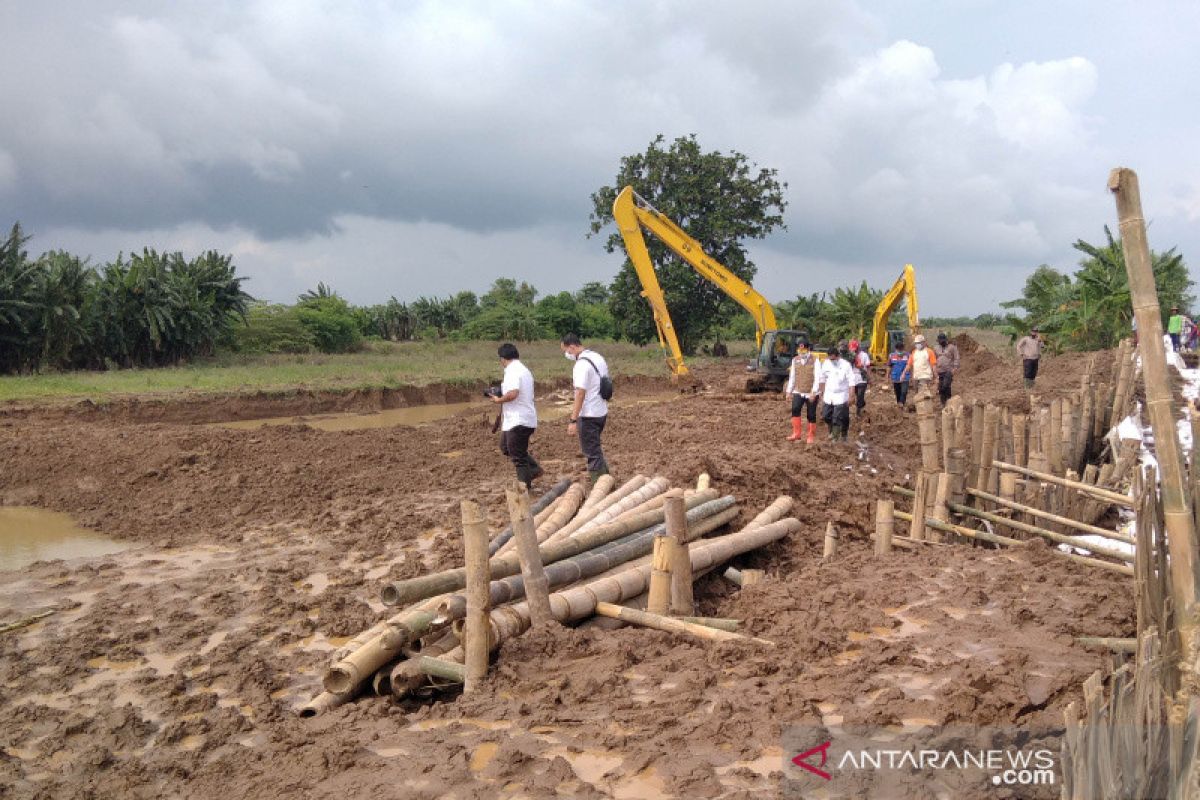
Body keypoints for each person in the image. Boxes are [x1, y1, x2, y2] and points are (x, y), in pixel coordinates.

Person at [560, 333, 610, 482]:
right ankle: (607, 479)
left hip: (589, 414)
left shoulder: (581, 365)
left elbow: (580, 393)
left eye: (567, 351)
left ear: (573, 347)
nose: (567, 355)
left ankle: (600, 486)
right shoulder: (597, 357)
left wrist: (573, 420)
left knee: (591, 453)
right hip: (601, 411)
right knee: (595, 448)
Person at [492, 342, 542, 488]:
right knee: (506, 447)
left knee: (518, 457)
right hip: (518, 419)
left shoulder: (512, 371)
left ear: (502, 359)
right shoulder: (522, 369)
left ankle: (525, 490)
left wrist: (498, 400)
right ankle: (533, 469)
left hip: (519, 420)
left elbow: (513, 393)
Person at [816, 345, 855, 441]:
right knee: (826, 416)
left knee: (837, 417)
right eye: (830, 359)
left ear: (838, 356)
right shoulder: (826, 363)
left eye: (833, 359)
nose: (832, 361)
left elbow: (851, 381)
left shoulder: (846, 365)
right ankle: (832, 431)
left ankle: (835, 437)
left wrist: (851, 396)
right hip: (829, 394)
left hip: (841, 394)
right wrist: (821, 391)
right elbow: (822, 378)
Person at [784, 340, 820, 444]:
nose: (801, 352)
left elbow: (817, 378)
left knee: (811, 414)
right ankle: (796, 433)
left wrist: (814, 392)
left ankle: (810, 436)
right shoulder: (795, 360)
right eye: (799, 350)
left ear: (808, 349)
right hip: (798, 390)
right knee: (795, 409)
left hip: (811, 392)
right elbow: (792, 377)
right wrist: (788, 391)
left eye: (803, 350)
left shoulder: (815, 360)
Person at [933, 332, 960, 405]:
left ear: (946, 340)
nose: (941, 342)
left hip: (949, 370)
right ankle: (944, 403)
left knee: (945, 385)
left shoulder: (952, 347)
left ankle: (948, 400)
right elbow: (934, 359)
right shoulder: (936, 348)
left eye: (943, 340)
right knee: (943, 387)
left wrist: (955, 368)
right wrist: (934, 370)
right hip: (939, 371)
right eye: (940, 341)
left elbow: (956, 358)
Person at [848, 339, 871, 416]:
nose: (854, 351)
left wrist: (869, 378)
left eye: (855, 349)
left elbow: (868, 367)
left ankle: (858, 411)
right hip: (852, 378)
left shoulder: (864, 355)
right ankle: (861, 403)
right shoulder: (849, 356)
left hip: (862, 377)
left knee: (860, 395)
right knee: (856, 395)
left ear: (858, 348)